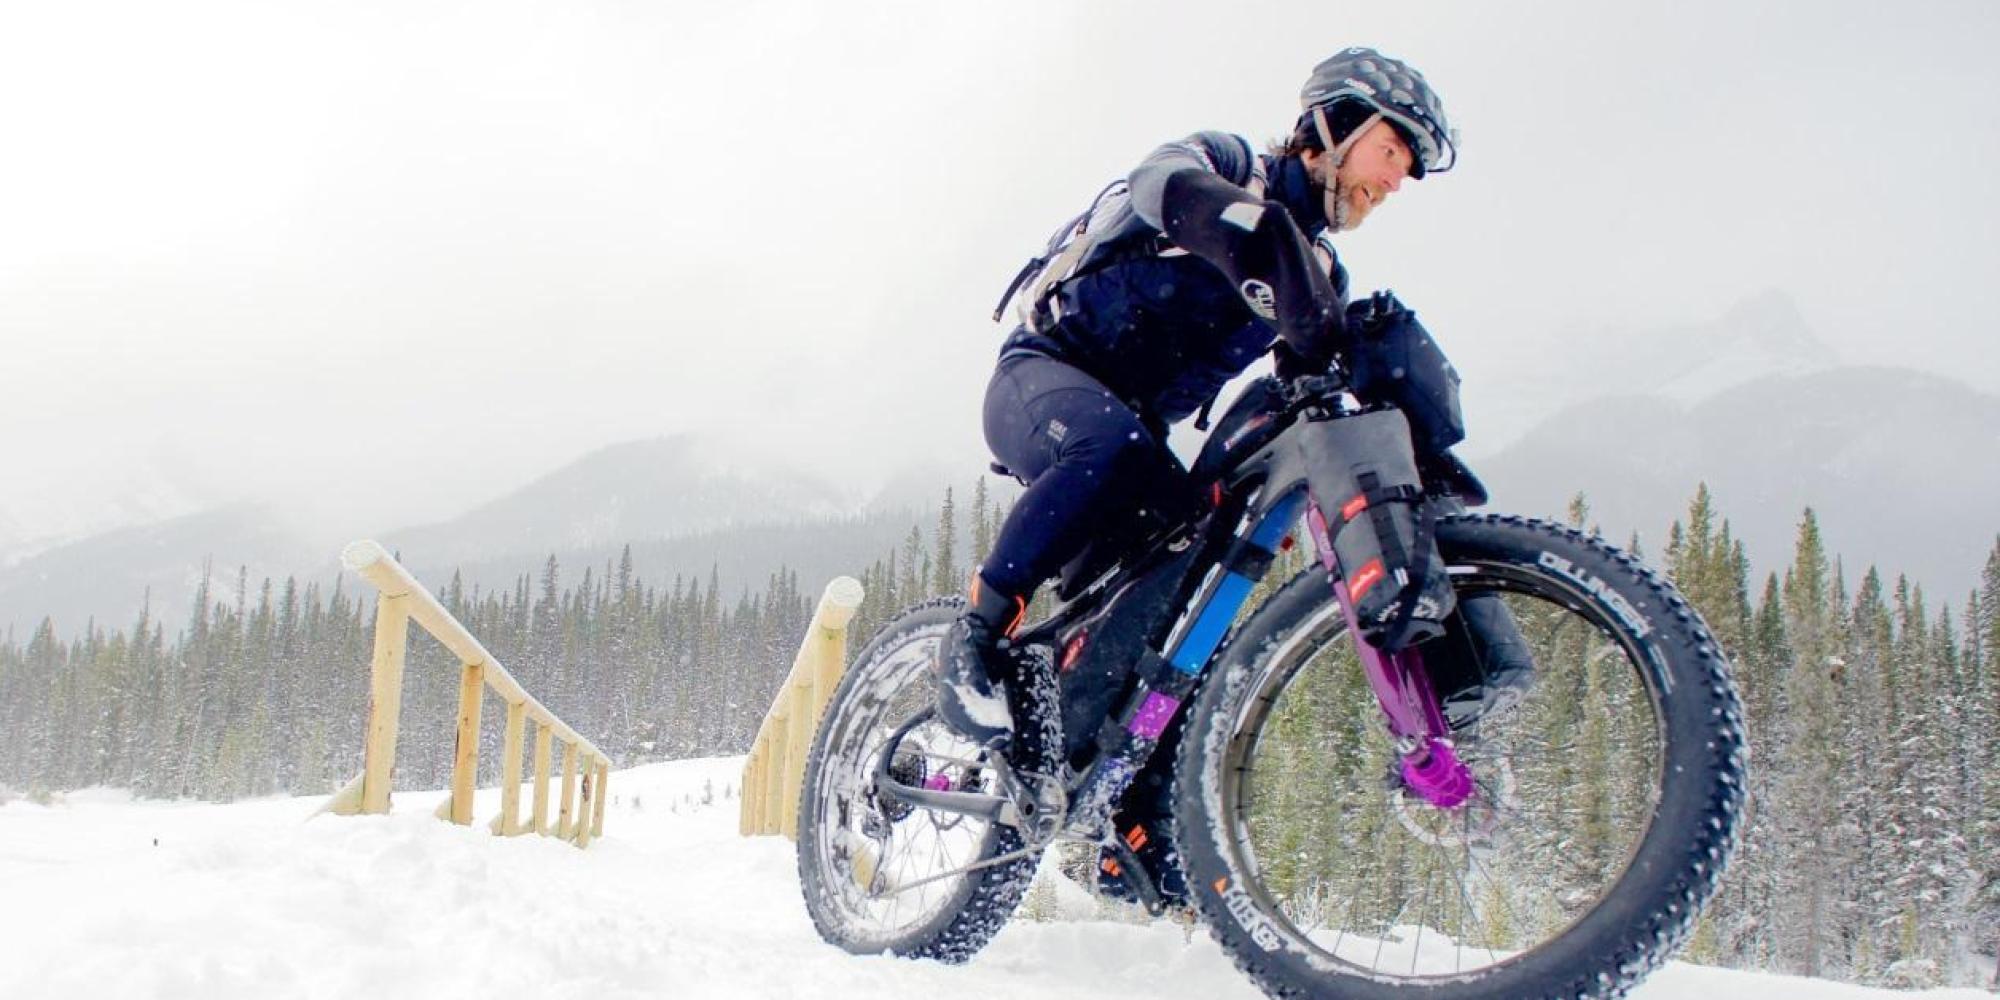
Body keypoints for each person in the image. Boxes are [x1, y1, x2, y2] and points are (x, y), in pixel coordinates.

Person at [934, 47, 1463, 906]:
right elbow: (1162, 188)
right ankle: (978, 636)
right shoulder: (1228, 166)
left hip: (1141, 438)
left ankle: (1124, 818)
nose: (1395, 180)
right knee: (1110, 450)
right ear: (1331, 127)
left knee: (1183, 588)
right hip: (1044, 375)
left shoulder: (1319, 273)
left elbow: (1307, 374)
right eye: (1391, 151)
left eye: (1406, 166)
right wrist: (1266, 241)